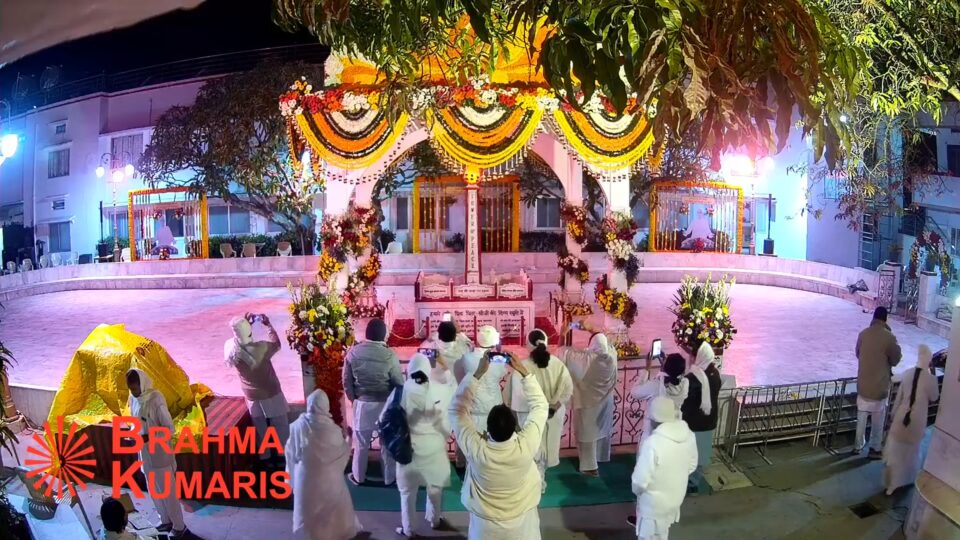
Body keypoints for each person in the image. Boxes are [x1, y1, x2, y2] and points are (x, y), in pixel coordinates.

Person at [450, 351, 547, 539]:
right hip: (522, 527)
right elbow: (540, 406)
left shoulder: (477, 449)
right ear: (515, 427)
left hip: (484, 529)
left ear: (486, 429)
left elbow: (456, 409)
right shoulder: (525, 445)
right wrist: (523, 371)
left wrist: (477, 374)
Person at [391, 353, 458, 537]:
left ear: (409, 370)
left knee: (407, 493)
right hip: (434, 450)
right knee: (434, 488)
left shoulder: (400, 392)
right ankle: (434, 520)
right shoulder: (440, 390)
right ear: (428, 370)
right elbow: (454, 386)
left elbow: (385, 420)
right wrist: (444, 365)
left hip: (408, 451)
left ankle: (408, 529)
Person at [285, 389, 361, 540]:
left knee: (311, 514)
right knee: (332, 513)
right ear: (326, 406)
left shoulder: (297, 427)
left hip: (306, 481)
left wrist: (290, 479)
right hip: (331, 482)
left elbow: (290, 454)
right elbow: (342, 455)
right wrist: (349, 439)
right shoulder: (333, 430)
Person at [504, 328, 573, 492]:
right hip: (552, 414)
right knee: (546, 449)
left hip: (529, 414)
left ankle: (535, 483)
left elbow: (513, 396)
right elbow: (568, 389)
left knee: (532, 449)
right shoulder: (557, 364)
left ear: (528, 344)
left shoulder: (522, 366)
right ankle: (539, 480)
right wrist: (554, 406)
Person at [125, 368, 189, 538]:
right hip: (145, 455)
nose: (133, 392)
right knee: (154, 491)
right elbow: (136, 422)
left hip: (160, 455)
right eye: (131, 389)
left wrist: (148, 437)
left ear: (142, 384)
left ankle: (179, 526)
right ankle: (165, 520)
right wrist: (133, 434)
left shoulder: (156, 399)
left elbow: (169, 429)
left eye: (135, 388)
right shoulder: (133, 399)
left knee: (168, 493)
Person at [342, 317, 404, 484]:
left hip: (363, 404)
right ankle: (389, 478)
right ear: (383, 335)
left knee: (361, 444)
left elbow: (346, 382)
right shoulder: (389, 354)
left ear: (367, 334)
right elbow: (398, 383)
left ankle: (358, 477)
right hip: (385, 405)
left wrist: (355, 400)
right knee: (386, 445)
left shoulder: (353, 353)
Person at [224, 313, 289, 467]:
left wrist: (245, 326)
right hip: (270, 392)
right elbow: (277, 344)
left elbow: (240, 338)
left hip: (251, 396)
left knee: (260, 429)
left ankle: (265, 458)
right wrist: (268, 325)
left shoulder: (231, 349)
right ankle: (283, 457)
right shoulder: (261, 347)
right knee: (280, 425)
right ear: (249, 331)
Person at [630, 396, 698, 540]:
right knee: (663, 532)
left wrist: (639, 493)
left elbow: (639, 481)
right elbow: (692, 464)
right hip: (675, 497)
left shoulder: (652, 443)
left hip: (653, 503)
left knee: (648, 536)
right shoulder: (688, 435)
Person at [560, 323, 618, 476]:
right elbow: (606, 344)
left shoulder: (588, 360)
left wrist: (562, 334)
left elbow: (564, 354)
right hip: (604, 403)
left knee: (587, 433)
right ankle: (600, 458)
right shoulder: (612, 356)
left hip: (588, 404)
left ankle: (589, 467)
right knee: (599, 430)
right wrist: (593, 329)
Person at [883, 345, 940, 495]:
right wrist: (932, 373)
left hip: (901, 418)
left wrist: (893, 414)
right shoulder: (930, 379)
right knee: (912, 452)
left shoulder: (907, 374)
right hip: (917, 421)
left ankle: (892, 484)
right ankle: (908, 479)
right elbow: (934, 397)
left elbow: (899, 397)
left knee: (896, 452)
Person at [452, 325, 506, 468]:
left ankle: (465, 469)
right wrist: (499, 351)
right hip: (492, 410)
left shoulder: (466, 358)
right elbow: (502, 373)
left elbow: (460, 378)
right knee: (490, 451)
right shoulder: (499, 360)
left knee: (471, 449)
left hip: (472, 408)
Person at [854, 306, 902, 458]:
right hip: (880, 386)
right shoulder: (889, 337)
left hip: (863, 384)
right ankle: (875, 448)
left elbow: (858, 353)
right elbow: (895, 359)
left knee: (861, 417)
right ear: (886, 319)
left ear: (873, 317)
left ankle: (858, 446)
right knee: (877, 420)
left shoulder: (863, 334)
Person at [681, 342, 722, 493]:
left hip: (693, 422)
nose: (690, 359)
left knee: (689, 454)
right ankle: (694, 482)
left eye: (692, 356)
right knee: (701, 454)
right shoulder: (714, 373)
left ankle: (687, 482)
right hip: (708, 420)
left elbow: (684, 398)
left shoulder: (693, 378)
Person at [631, 353, 689, 444]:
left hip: (653, 435)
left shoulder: (656, 386)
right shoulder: (685, 385)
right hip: (673, 434)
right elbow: (673, 378)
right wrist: (665, 368)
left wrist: (647, 369)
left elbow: (634, 392)